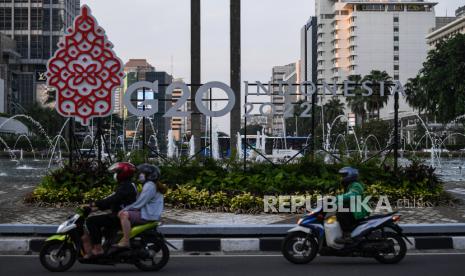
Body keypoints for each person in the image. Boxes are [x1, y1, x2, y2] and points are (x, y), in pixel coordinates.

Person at [81, 162, 138, 258]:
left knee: (91, 221)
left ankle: (98, 249)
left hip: (119, 216)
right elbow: (114, 202)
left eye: (117, 172)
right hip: (119, 214)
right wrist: (94, 208)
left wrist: (94, 204)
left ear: (123, 173)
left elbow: (113, 199)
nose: (115, 175)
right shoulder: (125, 185)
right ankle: (106, 245)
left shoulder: (126, 186)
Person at [115, 163, 166, 248]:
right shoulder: (151, 185)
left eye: (142, 173)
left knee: (124, 214)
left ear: (149, 175)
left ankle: (126, 241)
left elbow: (140, 203)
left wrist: (124, 209)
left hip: (148, 216)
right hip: (148, 214)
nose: (139, 175)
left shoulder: (149, 185)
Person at [334, 167, 369, 244]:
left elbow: (353, 194)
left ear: (350, 175)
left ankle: (347, 236)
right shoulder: (350, 185)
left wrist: (336, 198)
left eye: (344, 176)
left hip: (358, 210)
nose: (342, 178)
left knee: (341, 211)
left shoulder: (356, 185)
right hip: (355, 209)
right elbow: (346, 199)